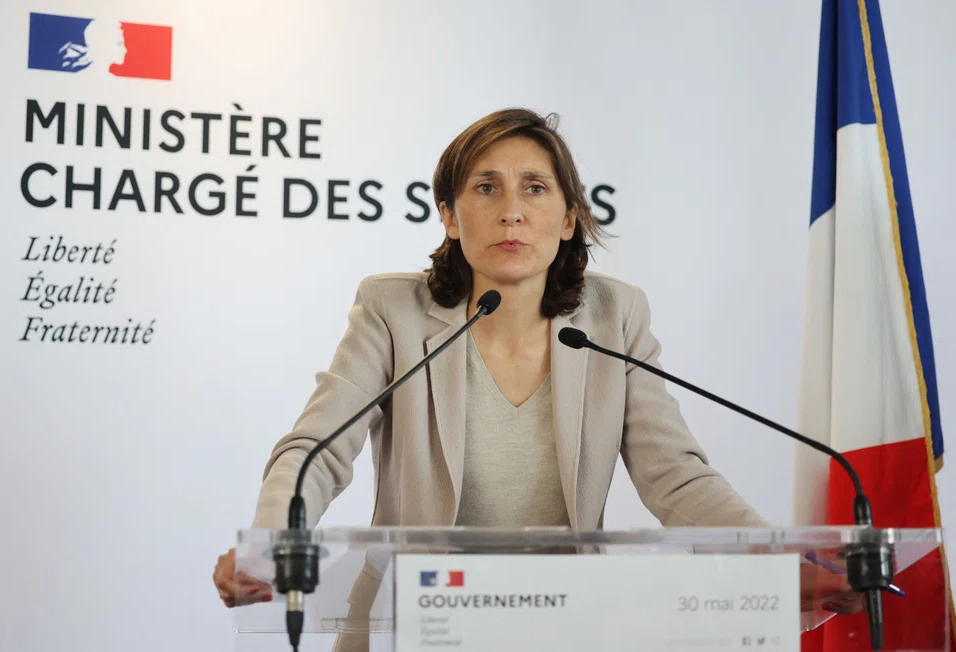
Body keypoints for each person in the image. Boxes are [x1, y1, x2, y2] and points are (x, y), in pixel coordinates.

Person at [213, 108, 862, 619]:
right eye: (485, 188)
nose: (512, 211)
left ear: (569, 218)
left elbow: (675, 476)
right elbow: (317, 450)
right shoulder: (393, 309)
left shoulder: (614, 317)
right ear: (450, 215)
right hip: (411, 623)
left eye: (535, 188)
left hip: (562, 622)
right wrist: (270, 543)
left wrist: (774, 559)